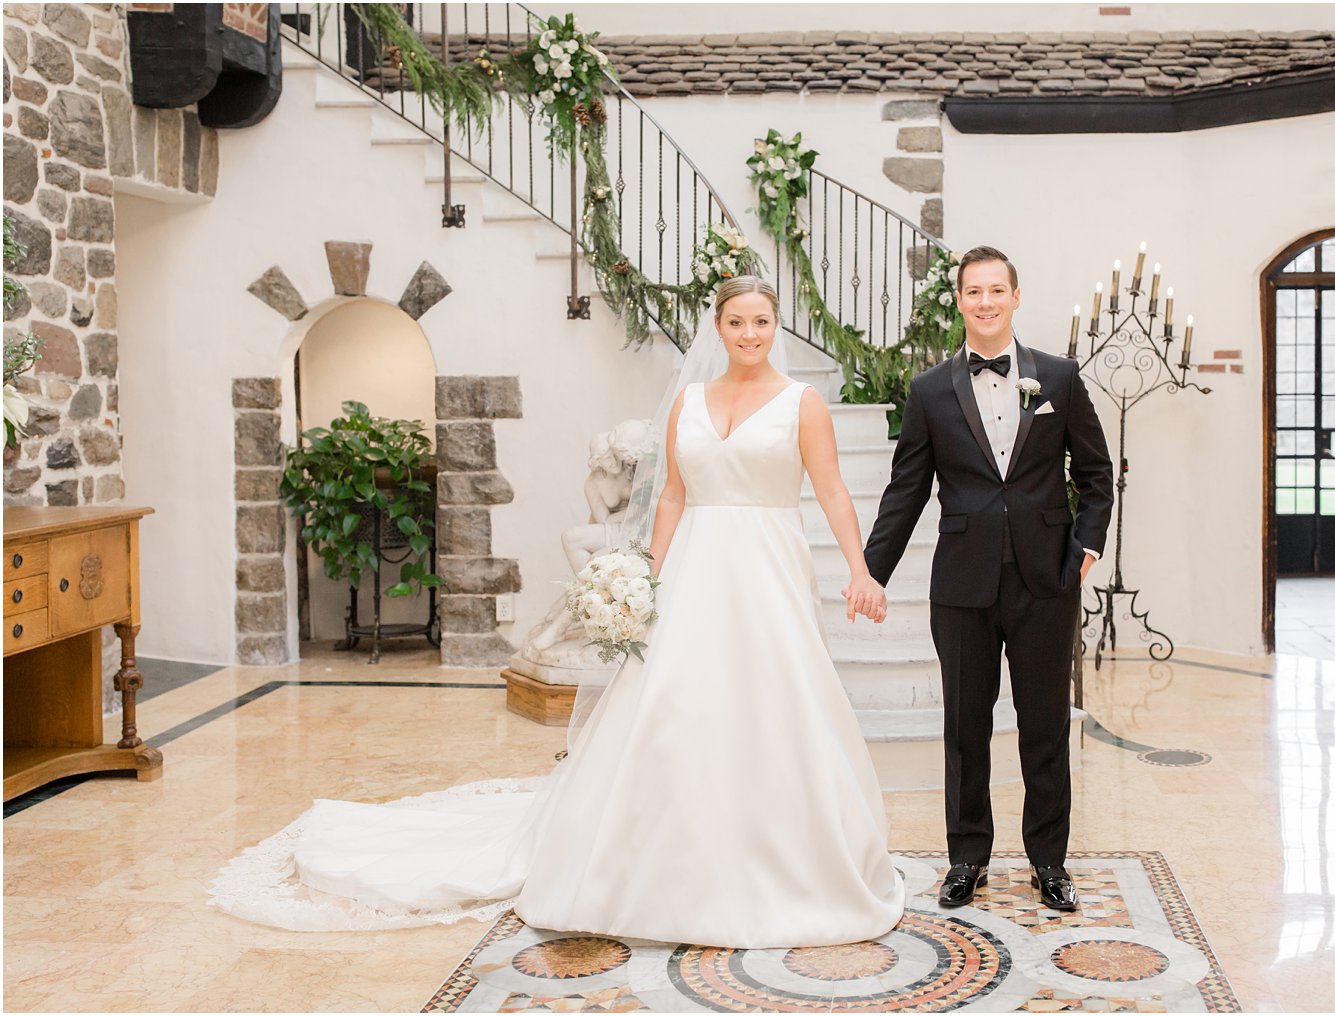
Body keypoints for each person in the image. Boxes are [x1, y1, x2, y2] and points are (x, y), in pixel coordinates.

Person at [210, 275, 906, 949]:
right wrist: (645, 578)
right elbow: (669, 499)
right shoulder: (689, 401)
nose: (749, 333)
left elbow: (835, 492)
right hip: (694, 566)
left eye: (761, 321)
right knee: (673, 703)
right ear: (717, 328)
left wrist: (859, 569)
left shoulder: (801, 403)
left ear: (773, 325)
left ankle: (776, 852)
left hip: (766, 567)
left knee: (770, 701)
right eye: (736, 321)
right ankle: (652, 851)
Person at [864, 246, 1114, 912]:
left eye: (995, 290)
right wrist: (871, 571)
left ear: (1015, 297)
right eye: (972, 291)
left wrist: (1086, 547)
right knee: (965, 728)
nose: (984, 301)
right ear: (961, 300)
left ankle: (1050, 862)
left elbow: (1096, 475)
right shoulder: (928, 391)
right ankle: (966, 858)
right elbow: (905, 490)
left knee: (1044, 728)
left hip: (1045, 582)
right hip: (962, 587)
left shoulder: (1059, 378)